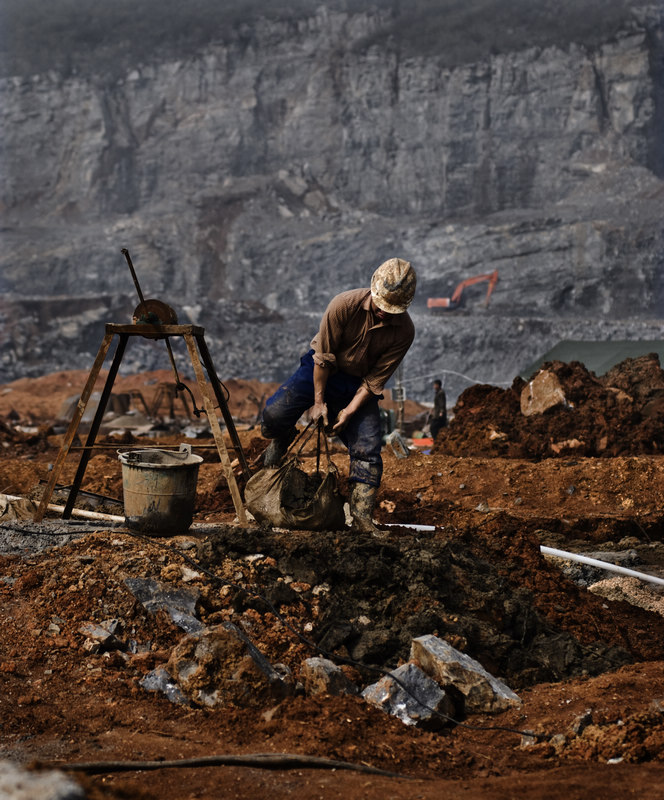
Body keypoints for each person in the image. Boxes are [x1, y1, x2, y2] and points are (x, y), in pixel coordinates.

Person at [260, 258, 417, 534]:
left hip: (356, 385)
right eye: (381, 306)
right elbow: (323, 359)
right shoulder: (343, 305)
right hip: (321, 369)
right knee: (273, 415)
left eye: (392, 310)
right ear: (373, 291)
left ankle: (361, 516)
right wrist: (319, 403)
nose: (384, 313)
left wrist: (348, 411)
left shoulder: (404, 331)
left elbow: (374, 381)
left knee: (368, 447)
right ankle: (282, 435)